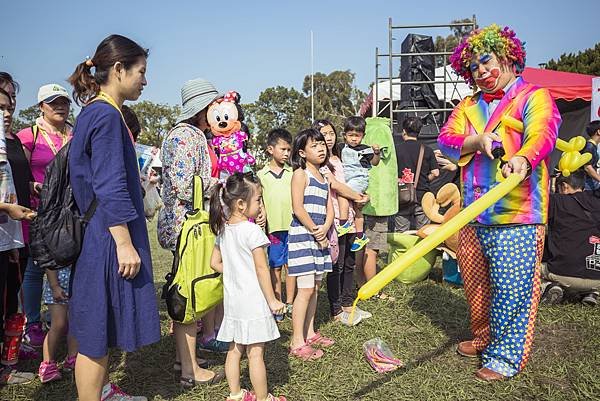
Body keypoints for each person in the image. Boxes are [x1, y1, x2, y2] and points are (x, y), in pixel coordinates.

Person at [438, 24, 561, 381]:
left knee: (512, 289)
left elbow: (544, 132)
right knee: (475, 284)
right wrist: (475, 141)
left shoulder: (533, 96)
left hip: (518, 215)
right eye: (473, 67)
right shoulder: (467, 106)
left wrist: (523, 158)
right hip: (474, 214)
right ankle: (483, 336)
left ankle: (506, 357)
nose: (480, 72)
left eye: (486, 61)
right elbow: (446, 141)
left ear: (509, 57)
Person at [67, 34, 161, 401]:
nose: (145, 80)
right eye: (141, 71)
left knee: (100, 327)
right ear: (118, 69)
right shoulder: (106, 115)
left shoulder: (97, 111)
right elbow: (108, 183)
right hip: (108, 237)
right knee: (95, 335)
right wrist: (124, 242)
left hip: (101, 232)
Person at [157, 78, 227, 385]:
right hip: (187, 227)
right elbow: (185, 186)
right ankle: (190, 371)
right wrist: (222, 184)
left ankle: (183, 359)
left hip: (192, 226)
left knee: (192, 289)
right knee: (188, 292)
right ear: (202, 108)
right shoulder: (185, 136)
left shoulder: (194, 134)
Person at [209, 172, 286, 401]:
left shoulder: (224, 230)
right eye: (259, 199)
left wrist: (234, 271)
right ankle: (262, 398)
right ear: (241, 204)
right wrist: (272, 300)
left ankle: (235, 394)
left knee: (234, 350)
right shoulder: (252, 231)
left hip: (233, 301)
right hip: (253, 301)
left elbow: (214, 263)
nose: (261, 204)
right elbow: (263, 270)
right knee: (255, 354)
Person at [17, 83, 73, 353]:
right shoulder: (29, 135)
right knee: (35, 268)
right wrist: (33, 187)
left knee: (63, 263)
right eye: (53, 103)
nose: (60, 106)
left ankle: (59, 316)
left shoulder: (73, 134)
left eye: (63, 101)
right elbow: (19, 174)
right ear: (41, 107)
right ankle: (33, 324)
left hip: (66, 214)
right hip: (36, 212)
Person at [313, 119, 371, 326]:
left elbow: (356, 177)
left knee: (349, 261)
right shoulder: (319, 162)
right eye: (323, 134)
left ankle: (348, 304)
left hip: (350, 215)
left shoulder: (341, 156)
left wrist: (362, 197)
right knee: (335, 264)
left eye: (331, 133)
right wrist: (357, 196)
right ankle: (336, 308)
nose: (328, 138)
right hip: (334, 217)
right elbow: (335, 185)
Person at [0, 83, 36, 386]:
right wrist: (6, 209)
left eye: (9, 105)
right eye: (1, 107)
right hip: (7, 225)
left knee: (11, 297)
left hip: (11, 234)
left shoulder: (11, 141)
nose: (7, 112)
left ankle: (7, 360)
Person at [287, 128, 334, 360]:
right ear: (302, 153)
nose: (321, 148)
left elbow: (329, 209)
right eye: (314, 145)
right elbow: (298, 208)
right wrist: (317, 232)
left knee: (315, 288)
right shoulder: (300, 174)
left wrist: (325, 228)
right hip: (303, 238)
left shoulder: (324, 178)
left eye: (322, 144)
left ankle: (310, 332)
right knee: (304, 289)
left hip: (319, 238)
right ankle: (297, 342)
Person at [541, 170, 600, 306]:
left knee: (529, 267)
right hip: (597, 277)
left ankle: (547, 286)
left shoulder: (557, 201)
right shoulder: (597, 202)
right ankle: (592, 293)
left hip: (563, 272)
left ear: (565, 186)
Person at [258, 128, 295, 321]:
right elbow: (259, 200)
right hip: (273, 230)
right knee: (275, 266)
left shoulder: (293, 173)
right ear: (270, 149)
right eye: (283, 149)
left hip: (293, 227)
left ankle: (290, 304)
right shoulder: (261, 174)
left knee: (292, 266)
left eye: (289, 150)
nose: (287, 153)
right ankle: (277, 303)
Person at [336, 116, 380, 252]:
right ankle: (360, 236)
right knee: (357, 208)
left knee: (342, 194)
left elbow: (375, 162)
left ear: (363, 136)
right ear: (344, 135)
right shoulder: (341, 147)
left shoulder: (365, 149)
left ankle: (343, 224)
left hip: (359, 179)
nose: (354, 139)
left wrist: (376, 153)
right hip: (349, 179)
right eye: (351, 135)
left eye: (358, 136)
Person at [390, 117, 439, 232]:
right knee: (424, 232)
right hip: (422, 196)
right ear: (419, 132)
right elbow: (435, 173)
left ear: (404, 131)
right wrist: (425, 180)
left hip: (402, 195)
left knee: (402, 233)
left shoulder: (396, 150)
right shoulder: (427, 150)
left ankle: (405, 251)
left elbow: (390, 173)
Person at [38, 262, 77, 383]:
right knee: (58, 324)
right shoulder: (55, 243)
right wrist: (54, 286)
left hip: (76, 285)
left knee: (75, 323)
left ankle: (72, 358)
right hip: (57, 285)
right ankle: (47, 364)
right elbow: (49, 262)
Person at [582, 120, 600, 191]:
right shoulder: (590, 147)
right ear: (598, 132)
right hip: (587, 187)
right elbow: (587, 167)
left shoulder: (592, 146)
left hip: (591, 186)